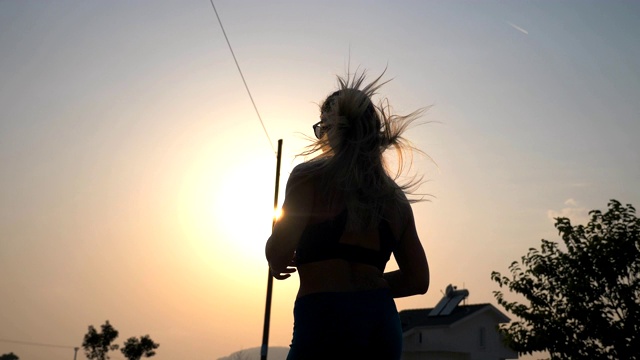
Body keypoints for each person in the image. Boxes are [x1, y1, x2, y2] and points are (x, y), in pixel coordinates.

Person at [265, 71, 430, 360]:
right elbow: (418, 280)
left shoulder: (309, 177)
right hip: (380, 323)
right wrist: (366, 287)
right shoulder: (396, 200)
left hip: (324, 318)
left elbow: (279, 250)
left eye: (322, 128)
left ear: (332, 129)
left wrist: (277, 259)